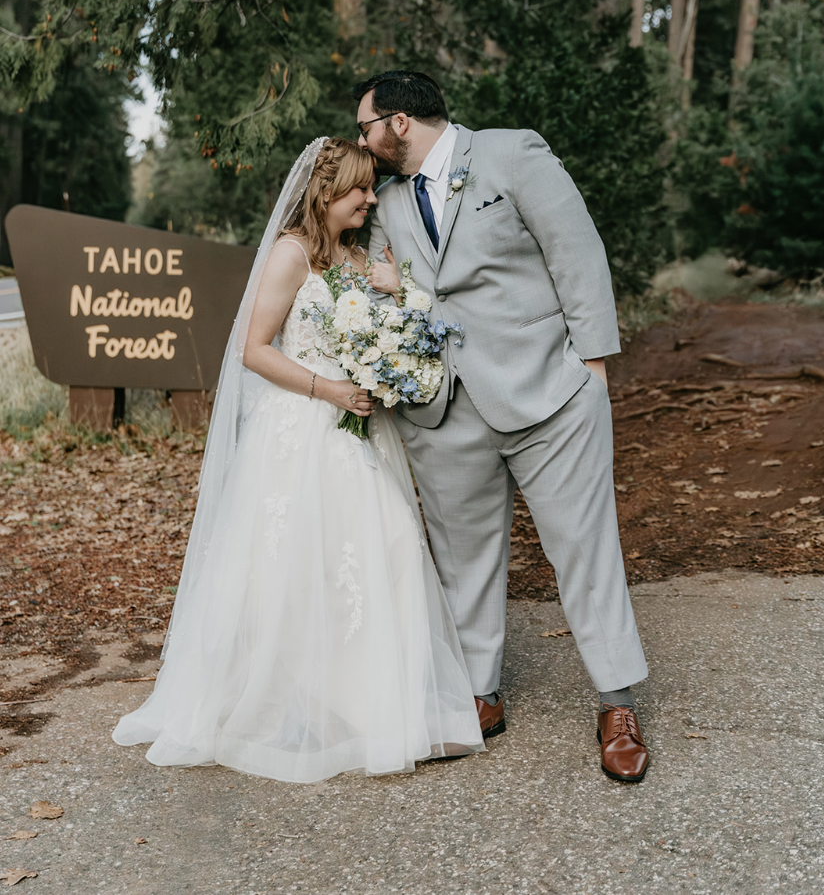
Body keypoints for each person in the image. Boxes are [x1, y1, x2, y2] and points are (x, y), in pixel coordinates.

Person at [113, 137, 484, 782]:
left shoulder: (356, 253)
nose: (372, 198)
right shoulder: (290, 255)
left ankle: (370, 704)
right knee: (295, 563)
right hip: (303, 426)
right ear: (325, 193)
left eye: (372, 188)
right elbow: (253, 350)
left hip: (360, 428)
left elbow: (381, 332)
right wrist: (331, 388)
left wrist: (394, 299)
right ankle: (292, 699)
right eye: (361, 189)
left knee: (385, 545)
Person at [356, 71, 650, 783]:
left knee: (584, 549)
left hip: (548, 393)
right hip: (443, 408)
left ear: (399, 122)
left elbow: (576, 254)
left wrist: (594, 371)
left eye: (365, 125)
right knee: (463, 560)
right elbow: (382, 289)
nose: (360, 140)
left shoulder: (511, 155)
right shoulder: (386, 203)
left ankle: (616, 703)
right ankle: (478, 695)